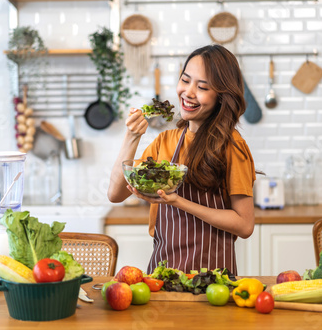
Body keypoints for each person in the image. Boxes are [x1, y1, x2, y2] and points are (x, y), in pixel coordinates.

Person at [108, 44, 256, 275]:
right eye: (185, 80)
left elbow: (245, 225)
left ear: (221, 97)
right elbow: (115, 194)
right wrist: (131, 137)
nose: (188, 92)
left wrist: (177, 201)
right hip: (162, 275)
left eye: (203, 87)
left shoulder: (231, 146)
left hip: (212, 281)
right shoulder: (165, 141)